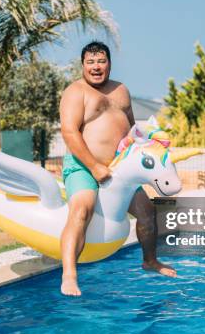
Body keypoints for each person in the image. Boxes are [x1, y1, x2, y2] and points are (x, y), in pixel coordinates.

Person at [59, 41, 176, 296]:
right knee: (81, 210)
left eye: (101, 61)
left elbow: (132, 129)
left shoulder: (121, 90)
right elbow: (69, 132)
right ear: (83, 66)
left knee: (147, 212)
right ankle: (69, 275)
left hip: (119, 169)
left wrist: (150, 140)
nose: (96, 67)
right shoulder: (75, 92)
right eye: (90, 62)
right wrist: (93, 166)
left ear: (109, 63)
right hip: (83, 165)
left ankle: (150, 261)